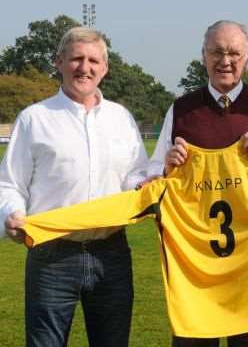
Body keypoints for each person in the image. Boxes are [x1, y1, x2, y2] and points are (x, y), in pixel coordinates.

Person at [147, 20, 248, 347]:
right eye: (216, 52)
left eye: (234, 52)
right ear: (203, 56)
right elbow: (151, 179)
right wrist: (165, 165)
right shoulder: (181, 110)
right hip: (195, 270)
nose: (225, 60)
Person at [0, 27, 149, 347]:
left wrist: (149, 185)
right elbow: (9, 184)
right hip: (51, 255)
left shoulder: (121, 118)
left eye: (94, 60)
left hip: (112, 253)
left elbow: (134, 177)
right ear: (59, 61)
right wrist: (12, 213)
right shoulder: (34, 119)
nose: (85, 67)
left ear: (105, 68)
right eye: (76, 59)